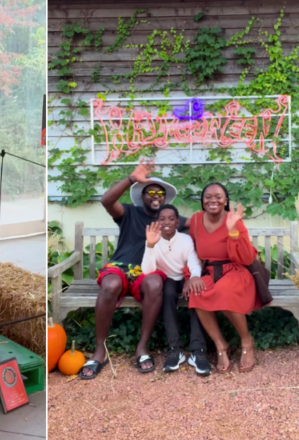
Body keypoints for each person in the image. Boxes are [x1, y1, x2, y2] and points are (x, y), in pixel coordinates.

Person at [78, 161, 205, 380]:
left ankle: (142, 348)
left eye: (160, 193)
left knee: (156, 283)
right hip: (120, 267)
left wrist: (225, 217)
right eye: (151, 192)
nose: (156, 196)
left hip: (146, 272)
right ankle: (99, 350)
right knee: (111, 284)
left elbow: (200, 222)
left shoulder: (168, 219)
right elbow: (107, 200)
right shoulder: (129, 212)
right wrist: (131, 178)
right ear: (142, 196)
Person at [186, 182, 259, 373]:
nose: (213, 200)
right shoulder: (195, 220)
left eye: (218, 196)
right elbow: (189, 250)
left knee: (224, 292)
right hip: (209, 272)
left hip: (234, 270)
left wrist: (233, 230)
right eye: (208, 196)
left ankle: (246, 341)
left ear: (225, 201)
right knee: (197, 293)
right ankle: (220, 345)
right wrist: (191, 276)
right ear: (202, 201)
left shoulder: (234, 220)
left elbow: (246, 258)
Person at [141, 205, 211, 375]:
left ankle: (198, 350)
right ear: (157, 222)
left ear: (177, 222)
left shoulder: (185, 240)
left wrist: (194, 277)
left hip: (185, 276)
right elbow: (148, 271)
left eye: (171, 219)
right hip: (167, 279)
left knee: (197, 291)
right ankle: (175, 349)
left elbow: (194, 261)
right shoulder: (153, 240)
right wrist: (150, 246)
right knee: (167, 292)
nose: (166, 222)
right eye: (162, 219)